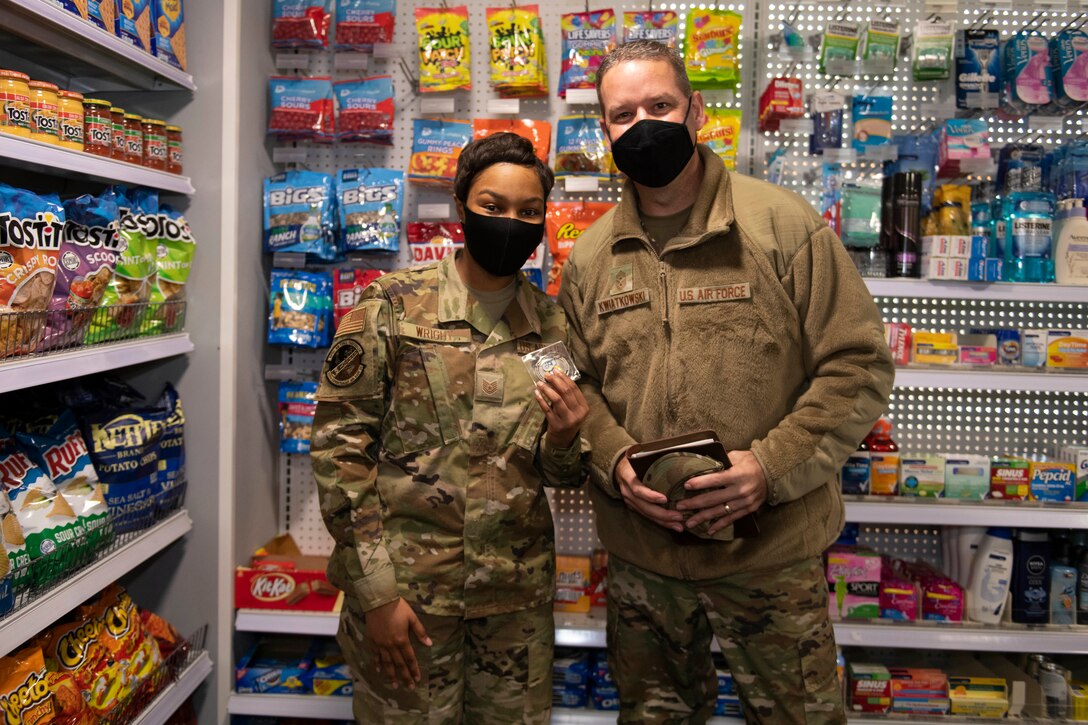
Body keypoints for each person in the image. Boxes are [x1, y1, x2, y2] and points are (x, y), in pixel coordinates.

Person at [557, 40, 895, 723]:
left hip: (768, 556)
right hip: (644, 563)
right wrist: (615, 458)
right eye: (623, 115)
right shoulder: (591, 257)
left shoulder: (779, 224)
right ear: (604, 133)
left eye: (660, 105)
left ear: (697, 111)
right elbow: (576, 386)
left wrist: (768, 467)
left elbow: (857, 363)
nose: (643, 125)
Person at [311, 132, 589, 724]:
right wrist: (377, 592)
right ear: (461, 205)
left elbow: (558, 472)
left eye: (529, 211)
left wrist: (566, 439)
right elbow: (339, 450)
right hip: (410, 599)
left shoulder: (551, 325)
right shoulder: (392, 305)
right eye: (493, 206)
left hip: (514, 604)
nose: (511, 222)